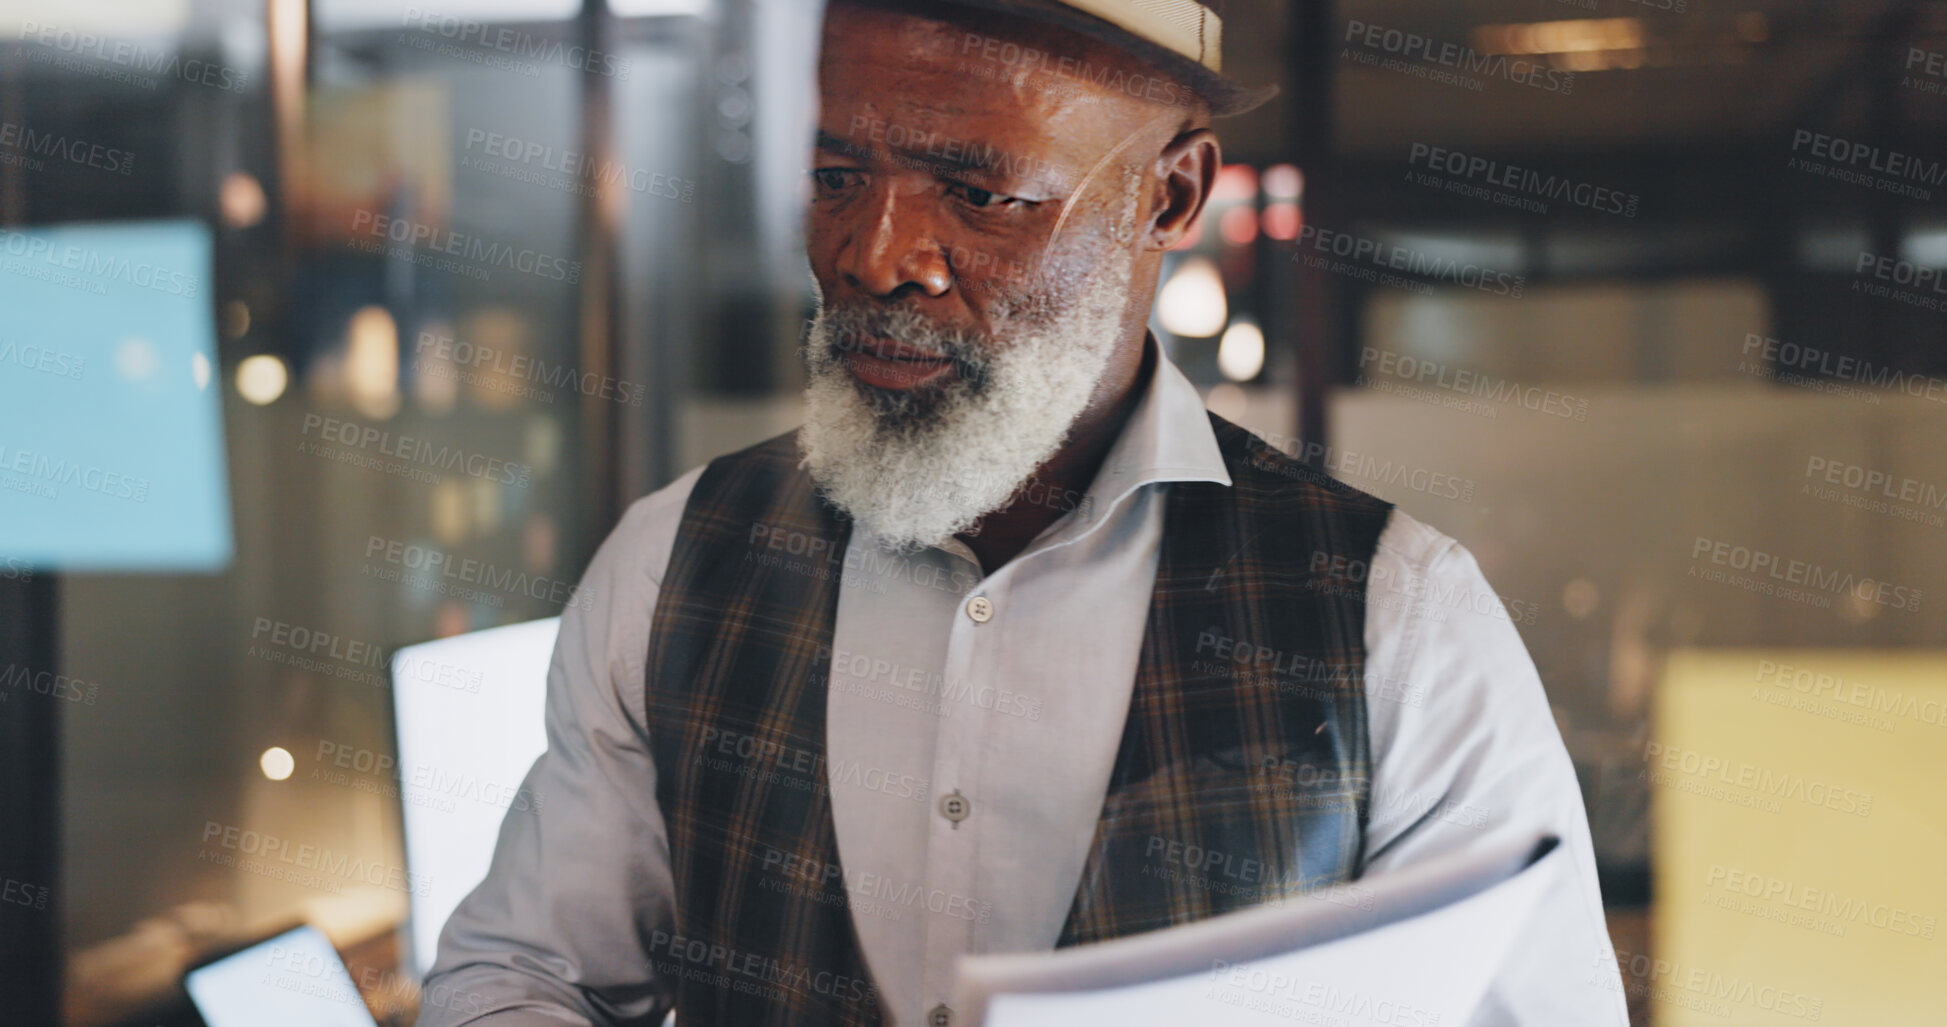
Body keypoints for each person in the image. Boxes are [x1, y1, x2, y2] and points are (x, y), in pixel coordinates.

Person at [422, 1, 1627, 1023]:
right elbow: (524, 970)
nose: (877, 255)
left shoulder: (1396, 616)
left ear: (1170, 196)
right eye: (837, 179)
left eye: (980, 194)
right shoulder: (674, 562)